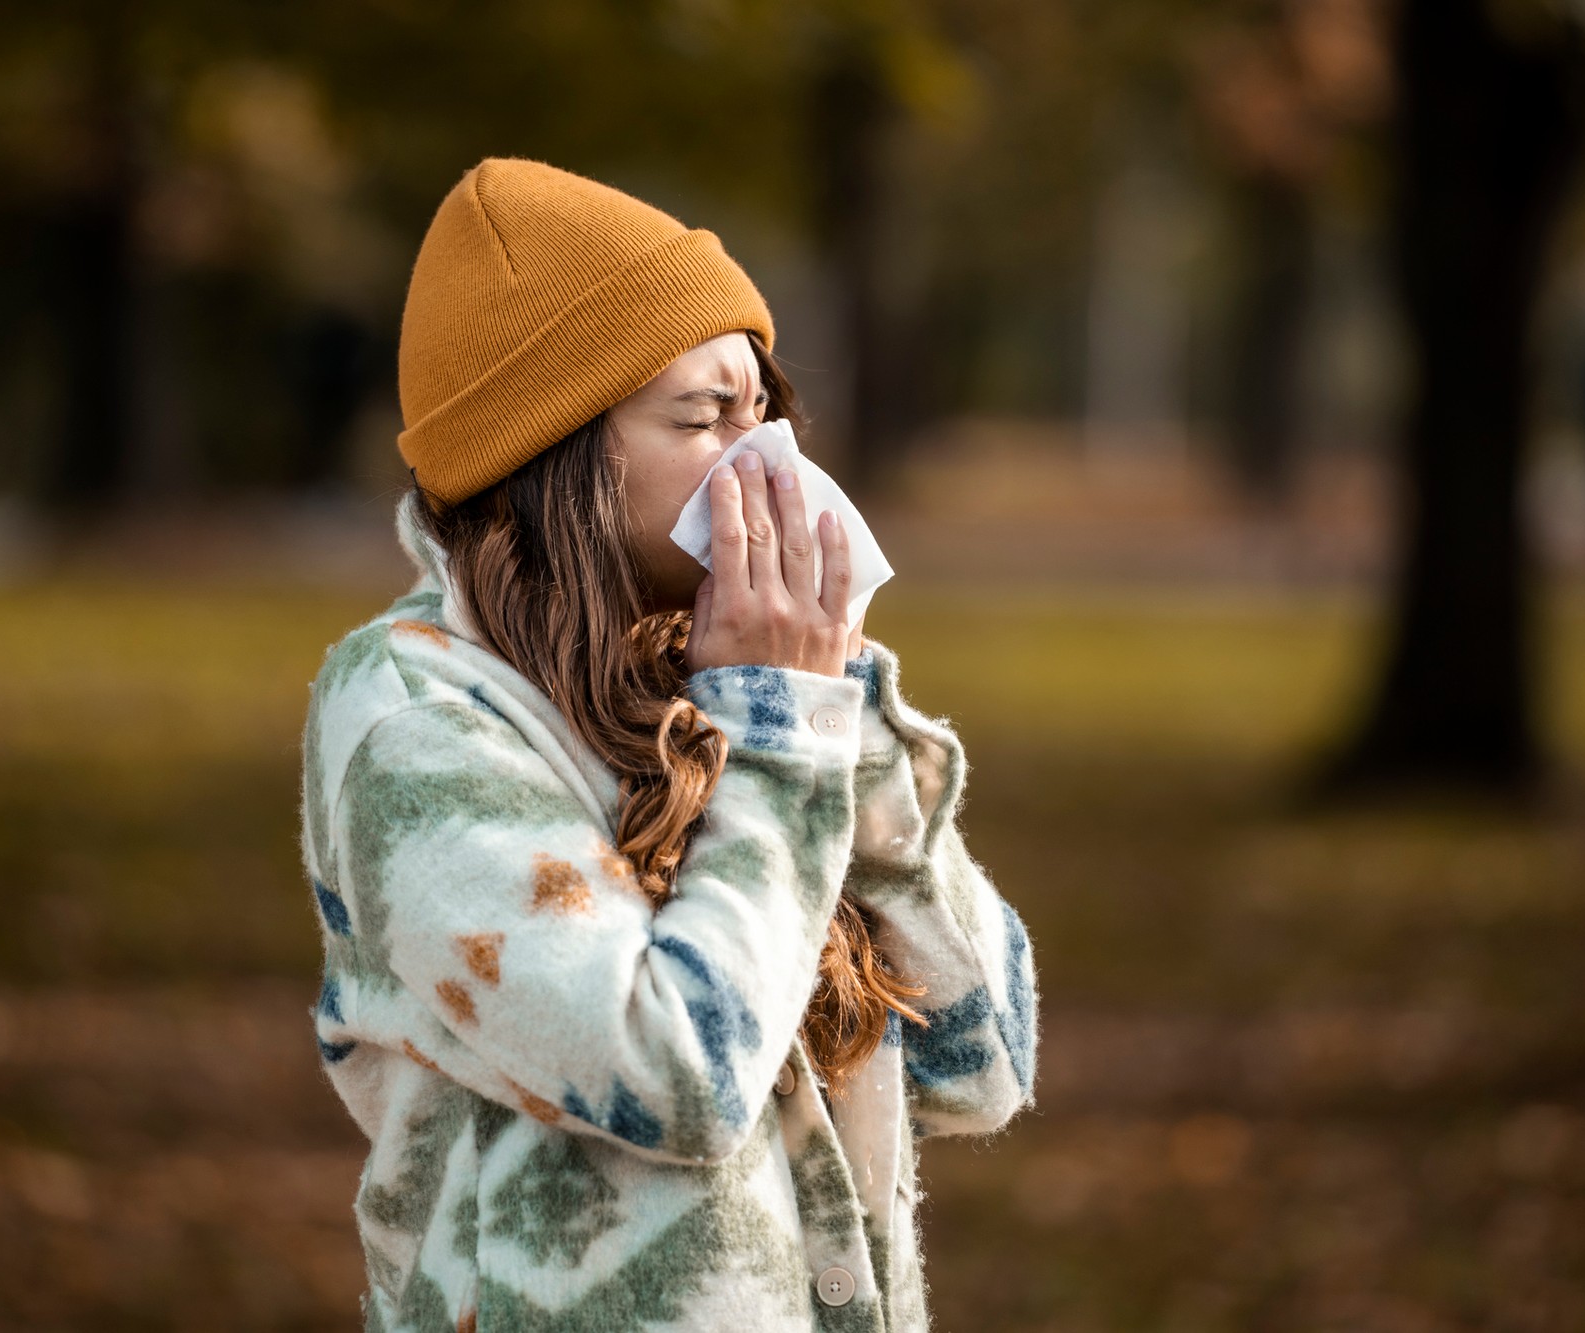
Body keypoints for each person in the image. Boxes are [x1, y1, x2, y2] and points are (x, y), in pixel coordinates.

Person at [298, 156, 1038, 1333]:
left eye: (764, 412)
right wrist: (782, 730)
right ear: (553, 460)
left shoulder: (719, 686)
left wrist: (835, 709)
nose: (768, 466)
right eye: (702, 417)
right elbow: (674, 1073)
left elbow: (977, 1061)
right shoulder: (412, 720)